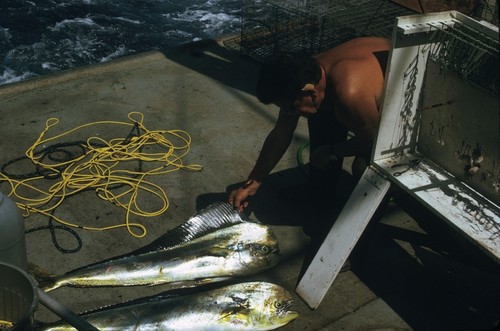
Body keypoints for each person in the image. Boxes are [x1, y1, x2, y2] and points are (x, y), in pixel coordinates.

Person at [228, 37, 391, 268]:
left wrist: (333, 151)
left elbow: (376, 141)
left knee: (364, 168)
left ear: (310, 93)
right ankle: (321, 193)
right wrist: (253, 182)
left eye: (289, 106)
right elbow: (280, 133)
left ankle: (355, 242)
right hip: (359, 101)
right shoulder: (306, 74)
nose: (287, 112)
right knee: (319, 116)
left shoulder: (350, 93)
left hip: (411, 102)